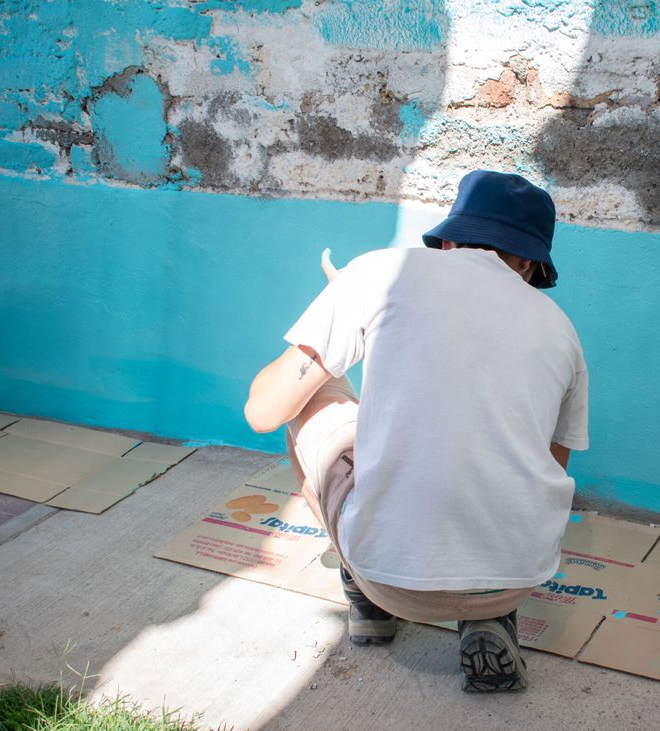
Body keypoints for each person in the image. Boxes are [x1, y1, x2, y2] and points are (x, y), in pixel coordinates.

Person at [244, 170, 588, 692]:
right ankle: (489, 619)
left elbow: (264, 410)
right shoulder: (562, 329)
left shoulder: (379, 273)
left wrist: (339, 320)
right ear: (529, 263)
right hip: (514, 578)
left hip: (390, 577)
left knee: (312, 398)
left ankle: (363, 594)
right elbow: (549, 466)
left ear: (447, 238)